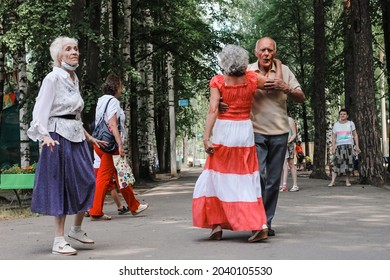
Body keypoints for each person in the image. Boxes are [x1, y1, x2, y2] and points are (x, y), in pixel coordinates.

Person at [192, 44, 282, 243]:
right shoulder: (251, 78)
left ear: (224, 62)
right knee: (245, 178)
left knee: (215, 178)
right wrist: (277, 65)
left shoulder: (218, 82)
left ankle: (216, 225)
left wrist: (206, 138)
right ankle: (257, 226)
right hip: (244, 131)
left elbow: (213, 109)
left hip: (225, 132)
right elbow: (272, 84)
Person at [27, 36, 106, 255]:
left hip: (76, 136)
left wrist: (88, 136)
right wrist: (44, 135)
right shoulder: (53, 78)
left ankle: (76, 230)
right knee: (60, 186)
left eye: (76, 49)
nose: (74, 52)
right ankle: (58, 240)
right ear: (59, 55)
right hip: (56, 137)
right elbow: (40, 109)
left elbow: (74, 115)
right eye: (69, 49)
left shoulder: (73, 78)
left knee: (88, 180)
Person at [246, 37, 305, 236]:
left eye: (270, 50)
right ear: (256, 52)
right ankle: (256, 219)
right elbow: (232, 91)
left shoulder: (285, 71)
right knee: (258, 176)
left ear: (274, 52)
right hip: (254, 131)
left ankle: (266, 222)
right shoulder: (247, 71)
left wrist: (285, 87)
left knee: (273, 180)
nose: (266, 54)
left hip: (280, 133)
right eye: (263, 50)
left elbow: (301, 96)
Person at [89, 73, 148, 220]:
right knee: (103, 178)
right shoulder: (113, 101)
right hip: (110, 146)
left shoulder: (101, 101)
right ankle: (95, 211)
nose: (121, 89)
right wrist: (120, 144)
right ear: (116, 87)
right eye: (121, 86)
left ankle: (134, 206)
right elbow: (112, 124)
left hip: (100, 143)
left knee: (120, 174)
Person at [84, 151, 130, 217]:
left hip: (97, 166)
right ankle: (90, 209)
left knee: (110, 187)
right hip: (103, 167)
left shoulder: (96, 142)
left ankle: (120, 206)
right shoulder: (103, 143)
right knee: (110, 188)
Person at [328, 108, 360, 187]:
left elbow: (355, 135)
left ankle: (347, 181)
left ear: (347, 115)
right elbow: (334, 137)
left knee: (349, 163)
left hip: (348, 145)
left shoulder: (350, 123)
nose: (342, 116)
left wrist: (357, 146)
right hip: (339, 146)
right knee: (336, 163)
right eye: (341, 114)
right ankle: (332, 181)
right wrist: (333, 147)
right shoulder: (336, 125)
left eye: (344, 114)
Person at [280, 116, 299, 192]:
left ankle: (295, 185)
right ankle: (282, 184)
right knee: (281, 165)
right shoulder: (278, 119)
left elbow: (294, 134)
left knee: (291, 164)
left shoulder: (289, 120)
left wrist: (288, 142)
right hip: (281, 144)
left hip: (289, 144)